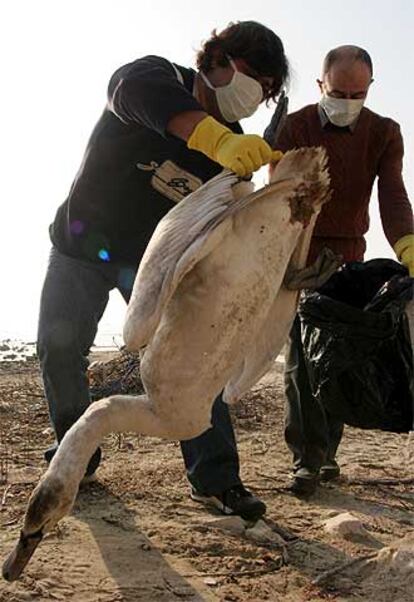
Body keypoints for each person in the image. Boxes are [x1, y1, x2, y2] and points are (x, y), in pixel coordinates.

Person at [37, 21, 289, 520]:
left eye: (266, 92)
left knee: (197, 364)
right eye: (252, 77)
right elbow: (129, 91)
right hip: (80, 246)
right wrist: (216, 142)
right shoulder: (155, 77)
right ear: (216, 60)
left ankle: (215, 479)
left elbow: (221, 229)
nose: (255, 95)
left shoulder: (232, 155)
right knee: (59, 347)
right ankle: (77, 453)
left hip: (154, 267)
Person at [267, 45, 414, 496]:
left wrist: (409, 247)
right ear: (320, 85)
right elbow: (277, 193)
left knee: (338, 357)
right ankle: (306, 459)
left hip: (349, 258)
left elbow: (392, 195)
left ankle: (328, 452)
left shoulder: (384, 133)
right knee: (302, 360)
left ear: (369, 89)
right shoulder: (298, 125)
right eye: (337, 91)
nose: (347, 100)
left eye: (357, 93)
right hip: (299, 252)